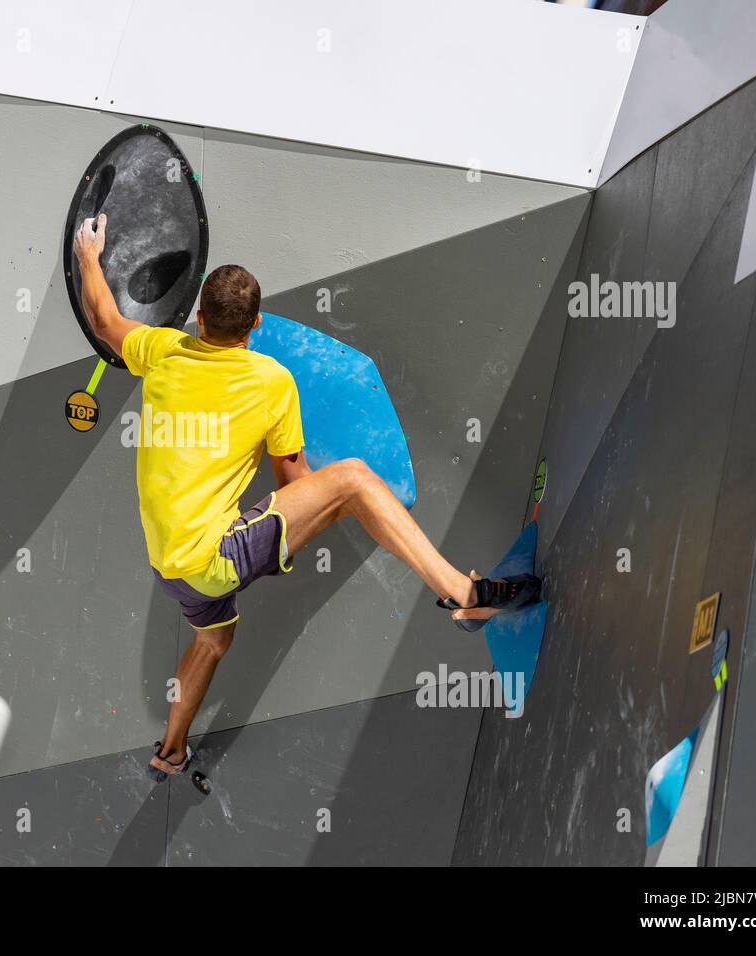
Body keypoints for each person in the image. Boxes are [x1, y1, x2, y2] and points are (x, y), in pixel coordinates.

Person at [72, 214, 539, 781]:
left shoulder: (162, 351)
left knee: (213, 640)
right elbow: (294, 484)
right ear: (256, 324)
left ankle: (169, 752)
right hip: (213, 556)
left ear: (198, 319)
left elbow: (103, 318)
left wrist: (88, 252)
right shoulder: (271, 383)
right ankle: (464, 594)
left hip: (168, 562)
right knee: (355, 480)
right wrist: (330, 493)